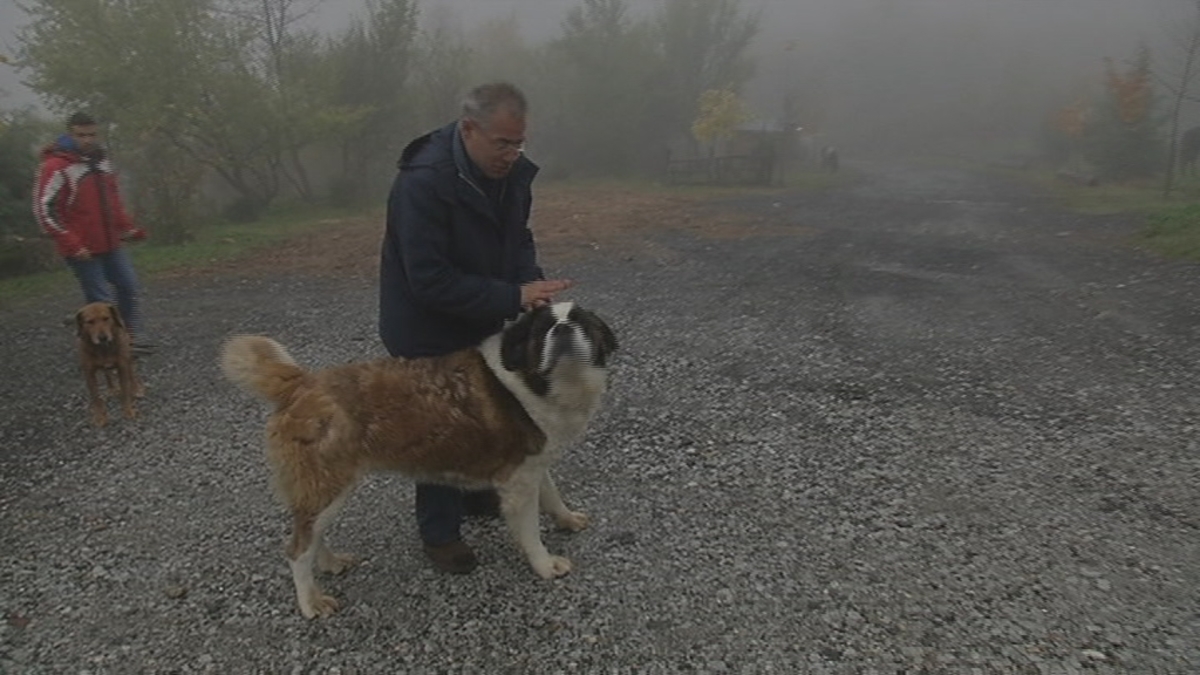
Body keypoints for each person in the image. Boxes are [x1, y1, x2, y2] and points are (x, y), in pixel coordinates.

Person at [379, 82, 573, 574]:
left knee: (487, 408)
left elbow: (518, 237)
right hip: (423, 325)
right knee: (442, 426)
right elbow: (428, 280)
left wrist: (529, 282)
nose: (512, 154)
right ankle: (440, 533)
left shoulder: (512, 175)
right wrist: (512, 297)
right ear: (469, 129)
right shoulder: (423, 183)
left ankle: (475, 492)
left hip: (481, 314)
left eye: (519, 143)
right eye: (502, 143)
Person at [34, 112, 153, 353]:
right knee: (100, 300)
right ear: (70, 134)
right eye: (81, 135)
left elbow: (112, 201)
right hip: (81, 247)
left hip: (110, 242)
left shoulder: (101, 162)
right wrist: (73, 244)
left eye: (92, 134)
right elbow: (45, 209)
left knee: (128, 286)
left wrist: (127, 227)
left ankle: (129, 336)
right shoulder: (56, 166)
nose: (87, 140)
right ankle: (106, 346)